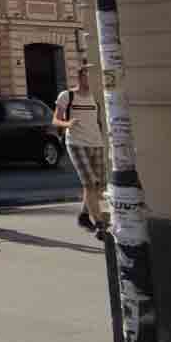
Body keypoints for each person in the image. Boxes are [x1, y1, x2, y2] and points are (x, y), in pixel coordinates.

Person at [55, 64, 107, 236]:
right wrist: (67, 124)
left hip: (96, 143)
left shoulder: (96, 97)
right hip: (76, 144)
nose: (92, 79)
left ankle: (84, 215)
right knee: (89, 183)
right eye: (88, 75)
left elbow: (97, 121)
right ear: (80, 77)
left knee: (98, 185)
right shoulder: (67, 96)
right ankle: (100, 224)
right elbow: (55, 120)